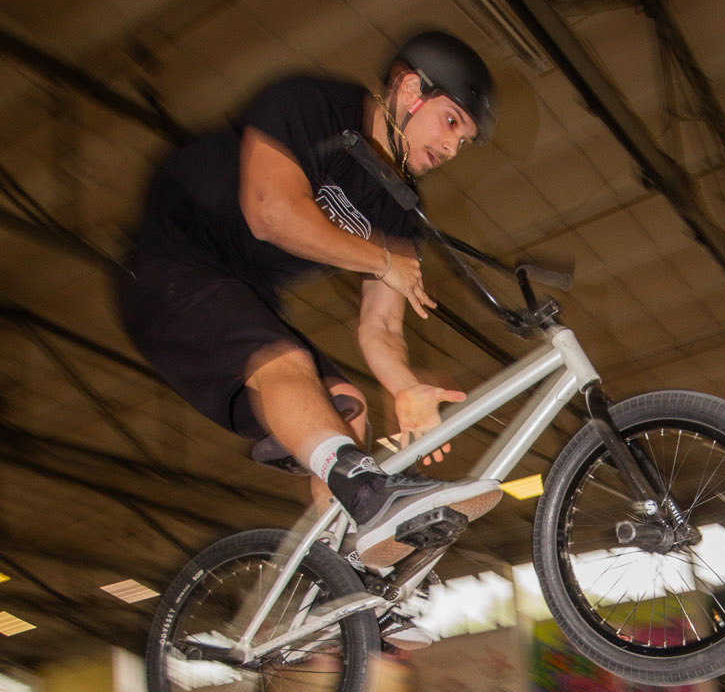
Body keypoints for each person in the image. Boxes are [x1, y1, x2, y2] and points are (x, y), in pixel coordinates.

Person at [116, 30, 503, 567]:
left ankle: (339, 576)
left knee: (348, 406)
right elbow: (270, 213)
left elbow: (382, 327)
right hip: (170, 264)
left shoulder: (397, 206)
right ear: (411, 88)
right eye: (452, 122)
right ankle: (369, 497)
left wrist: (406, 386)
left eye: (462, 142)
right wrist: (384, 260)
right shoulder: (314, 105)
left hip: (242, 293)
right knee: (286, 363)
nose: (450, 148)